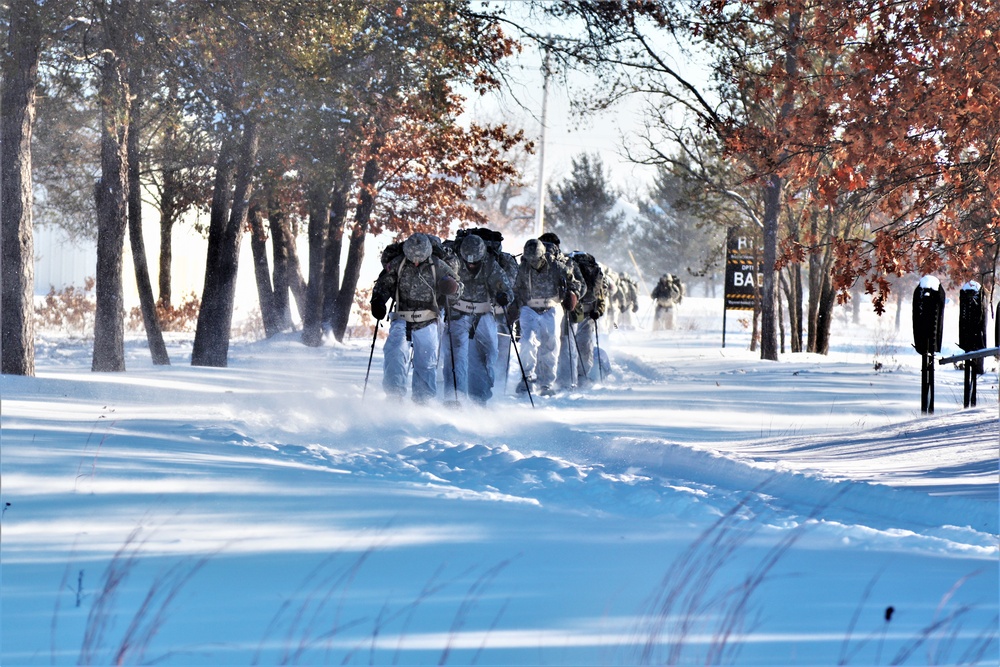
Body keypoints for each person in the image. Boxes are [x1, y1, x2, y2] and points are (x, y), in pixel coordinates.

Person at [370, 233, 461, 403]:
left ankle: (423, 399)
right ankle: (394, 394)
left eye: (420, 258)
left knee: (426, 360)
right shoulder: (399, 263)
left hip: (427, 317)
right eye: (413, 258)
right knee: (395, 352)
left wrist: (451, 289)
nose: (416, 262)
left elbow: (457, 287)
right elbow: (383, 284)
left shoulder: (438, 265)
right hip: (402, 315)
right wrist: (379, 301)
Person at [441, 234, 514, 405]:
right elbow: (443, 279)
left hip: (484, 314)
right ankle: (454, 398)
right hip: (458, 313)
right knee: (456, 354)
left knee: (489, 353)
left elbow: (505, 288)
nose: (471, 264)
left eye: (475, 261)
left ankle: (480, 397)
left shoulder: (490, 265)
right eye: (468, 261)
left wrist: (503, 296)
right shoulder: (456, 261)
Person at [512, 238, 583, 397]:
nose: (533, 263)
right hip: (529, 307)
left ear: (543, 256)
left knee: (551, 343)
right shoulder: (523, 268)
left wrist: (572, 296)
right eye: (529, 260)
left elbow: (575, 284)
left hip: (551, 306)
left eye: (536, 260)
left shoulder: (557, 267)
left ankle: (547, 383)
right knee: (527, 341)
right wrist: (513, 306)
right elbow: (516, 288)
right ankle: (527, 378)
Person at [566, 251, 607, 385]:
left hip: (573, 313)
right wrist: (598, 311)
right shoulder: (595, 273)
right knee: (585, 346)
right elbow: (601, 297)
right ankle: (582, 376)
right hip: (588, 314)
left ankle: (570, 376)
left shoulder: (570, 269)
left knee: (569, 346)